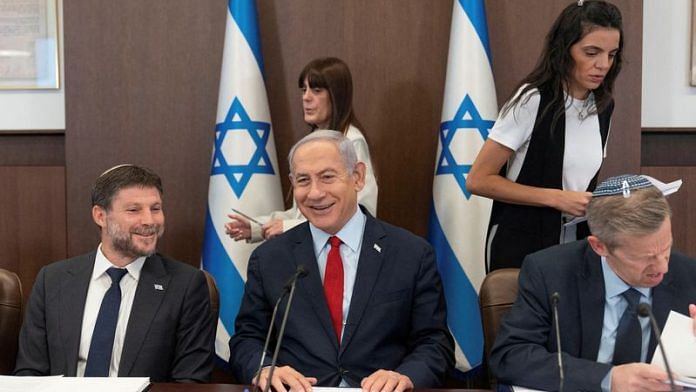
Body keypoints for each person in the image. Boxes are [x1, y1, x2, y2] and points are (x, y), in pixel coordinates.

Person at [228, 130, 454, 392]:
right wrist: (264, 369)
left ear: (357, 177)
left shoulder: (410, 253)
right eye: (303, 180)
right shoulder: (270, 258)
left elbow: (435, 343)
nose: (314, 193)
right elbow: (248, 339)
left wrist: (405, 376)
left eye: (327, 177)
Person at [489, 174, 696, 392]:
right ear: (599, 247)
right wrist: (609, 379)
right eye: (644, 258)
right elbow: (510, 356)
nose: (662, 267)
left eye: (666, 250)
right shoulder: (550, 272)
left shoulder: (689, 274)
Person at [14, 164, 215, 382]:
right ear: (100, 216)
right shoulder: (52, 280)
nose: (149, 221)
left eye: (155, 208)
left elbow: (190, 381)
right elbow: (29, 374)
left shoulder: (185, 285)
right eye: (134, 210)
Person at [466, 0, 624, 271]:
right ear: (565, 50)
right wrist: (556, 197)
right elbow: (478, 180)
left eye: (611, 54)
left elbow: (580, 178)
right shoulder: (532, 100)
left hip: (577, 246)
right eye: (591, 52)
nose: (603, 65)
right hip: (521, 246)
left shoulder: (603, 106)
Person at [226, 57, 378, 243]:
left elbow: (362, 210)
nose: (306, 97)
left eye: (316, 90)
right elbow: (301, 212)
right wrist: (256, 227)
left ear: (337, 95)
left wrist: (287, 228)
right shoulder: (312, 143)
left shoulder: (351, 141)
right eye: (303, 89)